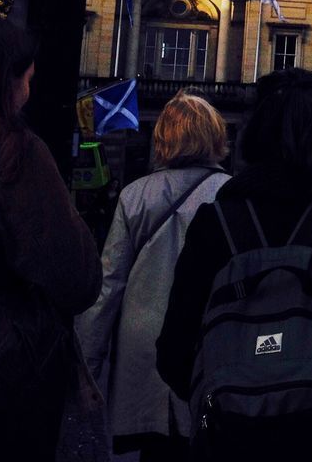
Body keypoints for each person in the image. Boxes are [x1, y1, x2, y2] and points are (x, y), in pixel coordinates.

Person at [156, 68, 312, 460]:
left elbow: (174, 351)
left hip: (230, 445)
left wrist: (234, 403)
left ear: (255, 130)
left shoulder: (218, 221)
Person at [78, 90, 231, 462]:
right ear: (214, 136)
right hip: (208, 347)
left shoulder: (134, 197)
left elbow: (108, 286)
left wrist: (87, 366)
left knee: (155, 451)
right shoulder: (230, 194)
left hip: (144, 351)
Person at [0, 17, 102, 461]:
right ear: (5, 80)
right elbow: (77, 276)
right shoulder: (14, 152)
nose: (30, 91)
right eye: (27, 79)